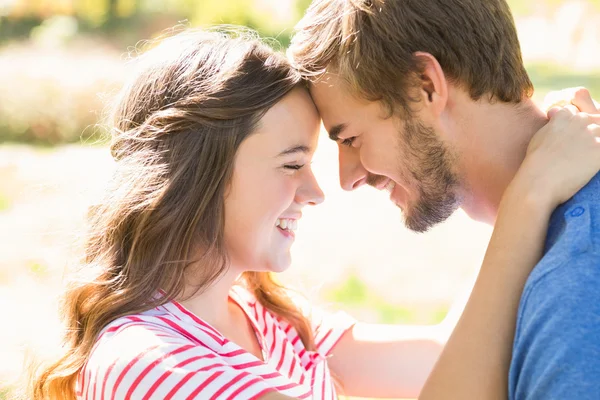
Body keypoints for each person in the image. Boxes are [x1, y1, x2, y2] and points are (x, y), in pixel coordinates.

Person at [29, 29, 600, 400]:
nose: (317, 191)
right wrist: (527, 199)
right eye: (290, 163)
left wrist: (525, 172)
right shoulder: (150, 365)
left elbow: (445, 358)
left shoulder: (260, 316)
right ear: (198, 174)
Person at [289, 0, 600, 399]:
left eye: (350, 138)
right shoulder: (539, 238)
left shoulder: (575, 281)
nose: (347, 179)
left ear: (425, 86)